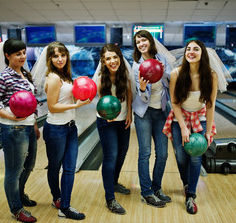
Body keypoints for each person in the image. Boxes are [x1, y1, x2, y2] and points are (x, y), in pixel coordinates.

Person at [162, 40, 230, 214]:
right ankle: (186, 183)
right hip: (180, 119)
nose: (191, 52)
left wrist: (208, 132)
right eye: (188, 49)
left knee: (195, 156)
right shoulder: (177, 73)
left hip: (200, 119)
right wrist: (184, 127)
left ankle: (191, 194)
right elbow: (175, 103)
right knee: (181, 156)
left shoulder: (211, 75)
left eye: (196, 49)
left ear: (202, 54)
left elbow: (210, 104)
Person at [31, 42, 90, 220]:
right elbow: (52, 107)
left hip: (71, 128)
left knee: (70, 168)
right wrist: (77, 104)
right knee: (55, 167)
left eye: (63, 55)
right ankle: (57, 197)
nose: (60, 59)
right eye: (55, 56)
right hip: (56, 129)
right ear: (49, 59)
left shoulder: (65, 76)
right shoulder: (54, 78)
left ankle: (64, 206)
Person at [0, 39, 40, 223]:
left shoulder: (25, 74)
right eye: (18, 54)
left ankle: (20, 194)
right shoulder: (2, 77)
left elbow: (31, 103)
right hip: (12, 130)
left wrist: (35, 125)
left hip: (28, 127)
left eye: (24, 52)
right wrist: (10, 116)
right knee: (13, 172)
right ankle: (16, 208)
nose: (23, 56)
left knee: (29, 165)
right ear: (7, 56)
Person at [132, 30, 173, 208]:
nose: (141, 43)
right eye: (137, 41)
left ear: (150, 41)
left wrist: (163, 73)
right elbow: (142, 98)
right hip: (144, 113)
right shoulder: (136, 66)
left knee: (163, 154)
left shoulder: (162, 59)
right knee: (145, 153)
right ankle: (147, 192)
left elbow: (171, 82)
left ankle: (157, 188)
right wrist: (142, 89)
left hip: (162, 112)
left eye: (143, 39)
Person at [93, 44, 133, 215]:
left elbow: (130, 94)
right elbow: (102, 100)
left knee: (122, 153)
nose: (112, 61)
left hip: (123, 119)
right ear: (103, 61)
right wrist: (106, 115)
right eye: (108, 58)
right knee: (111, 156)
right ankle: (110, 198)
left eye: (115, 57)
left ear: (119, 57)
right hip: (106, 121)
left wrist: (129, 113)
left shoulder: (125, 73)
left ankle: (114, 183)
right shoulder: (101, 78)